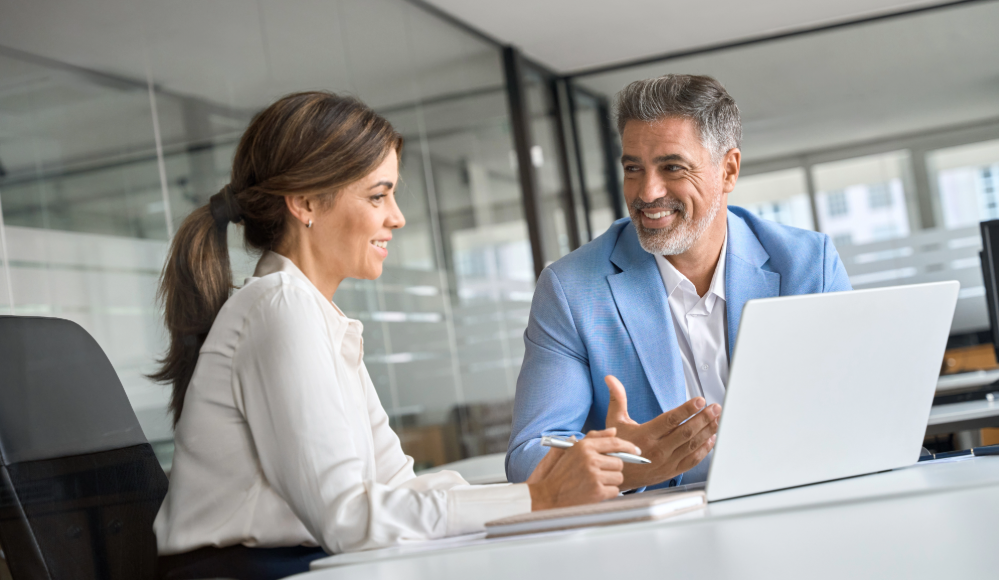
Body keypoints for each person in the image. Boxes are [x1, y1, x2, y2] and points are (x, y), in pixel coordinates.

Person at [151, 92, 637, 580]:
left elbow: (397, 487)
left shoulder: (315, 316)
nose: (397, 217)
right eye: (378, 195)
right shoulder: (281, 308)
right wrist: (536, 498)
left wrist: (548, 482)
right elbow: (348, 518)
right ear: (303, 203)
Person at [506, 74, 852, 492]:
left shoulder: (807, 266)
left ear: (728, 170)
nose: (647, 192)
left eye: (672, 167)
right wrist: (625, 465)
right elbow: (528, 455)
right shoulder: (572, 290)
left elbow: (855, 406)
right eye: (633, 168)